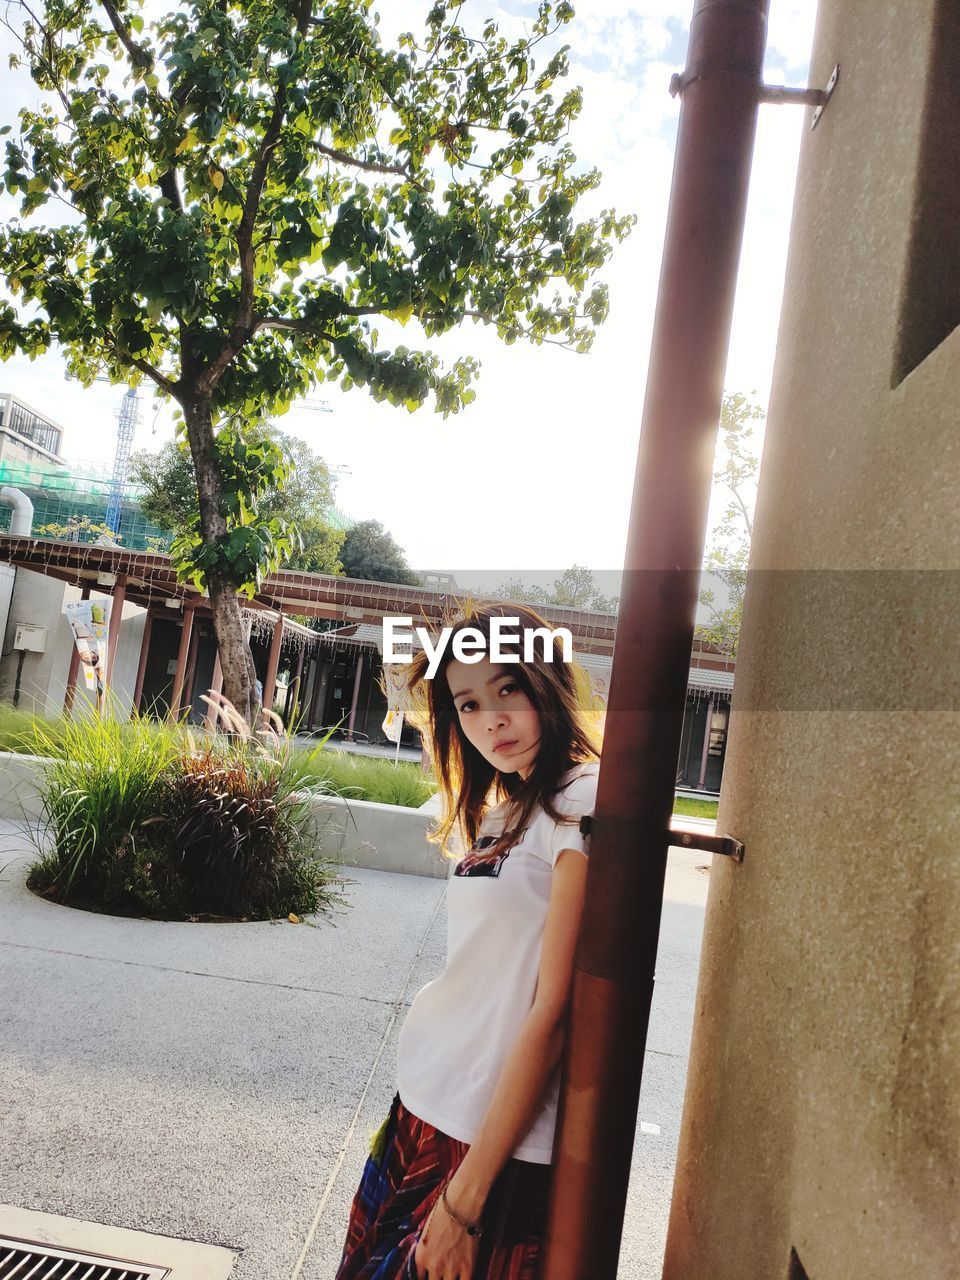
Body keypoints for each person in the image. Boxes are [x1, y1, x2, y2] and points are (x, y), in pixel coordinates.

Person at [335, 602, 601, 1279]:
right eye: (469, 704)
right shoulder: (506, 812)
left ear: (547, 682)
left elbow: (555, 1011)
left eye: (508, 688)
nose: (492, 720)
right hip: (424, 1113)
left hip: (490, 1150)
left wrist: (466, 1205)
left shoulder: (583, 797)